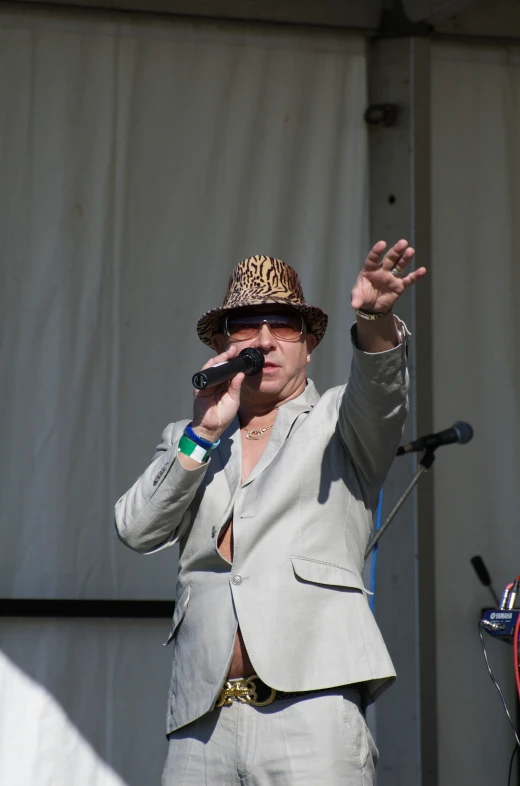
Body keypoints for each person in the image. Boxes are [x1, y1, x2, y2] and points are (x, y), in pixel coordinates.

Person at [115, 242, 426, 785]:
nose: (263, 340)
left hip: (312, 711)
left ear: (308, 343)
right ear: (221, 345)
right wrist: (205, 433)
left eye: (282, 323)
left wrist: (375, 319)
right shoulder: (190, 439)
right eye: (245, 325)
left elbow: (381, 391)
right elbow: (136, 529)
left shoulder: (338, 420)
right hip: (202, 720)